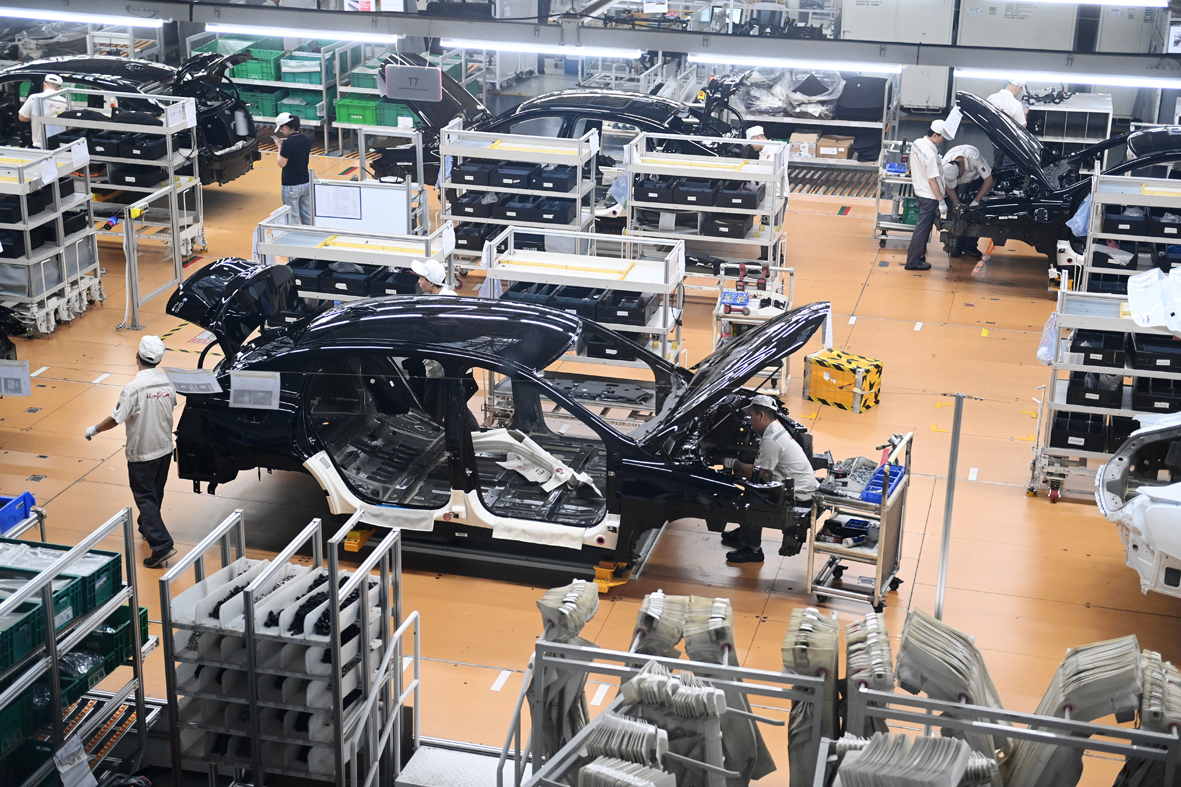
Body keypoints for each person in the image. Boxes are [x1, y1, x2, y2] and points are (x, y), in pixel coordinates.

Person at [84, 336, 178, 568]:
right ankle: (146, 526)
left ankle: (161, 544)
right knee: (155, 492)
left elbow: (116, 418)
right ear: (159, 360)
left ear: (137, 356)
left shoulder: (133, 388)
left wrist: (94, 429)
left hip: (142, 453)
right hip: (164, 449)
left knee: (145, 497)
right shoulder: (168, 383)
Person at [719, 395, 820, 564]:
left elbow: (754, 473)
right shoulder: (776, 430)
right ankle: (745, 533)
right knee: (750, 489)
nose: (749, 420)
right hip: (798, 486)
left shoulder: (771, 440)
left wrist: (731, 462)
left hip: (798, 497)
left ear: (761, 415)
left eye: (751, 416)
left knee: (748, 503)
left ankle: (753, 550)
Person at [905, 119, 955, 272]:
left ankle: (919, 257)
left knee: (924, 229)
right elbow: (932, 181)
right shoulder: (930, 154)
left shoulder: (917, 143)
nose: (942, 141)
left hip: (920, 191)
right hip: (929, 196)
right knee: (922, 230)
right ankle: (913, 261)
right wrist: (941, 201)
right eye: (942, 138)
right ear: (935, 135)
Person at [941, 144, 994, 259]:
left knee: (975, 214)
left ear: (961, 170)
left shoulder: (973, 156)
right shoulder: (945, 164)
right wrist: (956, 203)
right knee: (955, 213)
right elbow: (948, 186)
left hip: (975, 181)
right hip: (956, 187)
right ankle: (956, 246)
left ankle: (970, 246)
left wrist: (976, 201)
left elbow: (989, 180)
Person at [275, 112, 312, 225]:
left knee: (292, 217)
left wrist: (280, 147)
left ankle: (294, 235)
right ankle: (311, 233)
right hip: (305, 182)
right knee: (307, 215)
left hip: (291, 185)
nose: (281, 131)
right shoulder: (306, 138)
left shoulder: (288, 144)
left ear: (285, 127)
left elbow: (281, 163)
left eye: (281, 129)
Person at [18, 74, 67, 148]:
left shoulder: (34, 98)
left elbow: (22, 117)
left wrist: (34, 117)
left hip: (39, 145)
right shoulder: (65, 102)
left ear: (44, 84)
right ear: (59, 88)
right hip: (59, 145)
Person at [987, 79, 1027, 168]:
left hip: (995, 137)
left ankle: (996, 173)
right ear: (1017, 88)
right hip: (1010, 140)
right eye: (1020, 90)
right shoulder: (1016, 104)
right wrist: (1024, 113)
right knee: (1008, 165)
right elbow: (1022, 126)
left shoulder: (990, 98)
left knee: (997, 162)